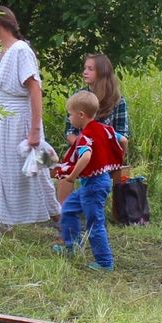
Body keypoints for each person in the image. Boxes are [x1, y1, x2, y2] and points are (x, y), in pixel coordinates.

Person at [0, 7, 60, 234]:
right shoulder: (0, 54)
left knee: (38, 170)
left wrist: (35, 130)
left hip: (22, 121)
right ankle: (6, 221)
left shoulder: (21, 50)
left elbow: (34, 90)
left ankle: (60, 217)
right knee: (3, 169)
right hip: (2, 123)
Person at [52, 90, 125, 270]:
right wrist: (115, 159)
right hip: (98, 182)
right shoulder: (105, 129)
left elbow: (85, 157)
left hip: (94, 184)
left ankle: (104, 262)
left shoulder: (85, 136)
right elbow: (123, 140)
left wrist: (72, 176)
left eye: (70, 114)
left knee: (95, 222)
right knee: (68, 209)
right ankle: (72, 247)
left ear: (81, 115)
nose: (69, 118)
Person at [56, 53, 130, 205]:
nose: (85, 72)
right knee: (66, 167)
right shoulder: (79, 97)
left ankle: (113, 210)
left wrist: (106, 150)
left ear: (102, 73)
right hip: (82, 148)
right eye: (85, 68)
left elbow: (123, 135)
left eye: (90, 69)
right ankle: (63, 213)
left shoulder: (117, 101)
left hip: (106, 153)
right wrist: (84, 144)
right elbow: (69, 131)